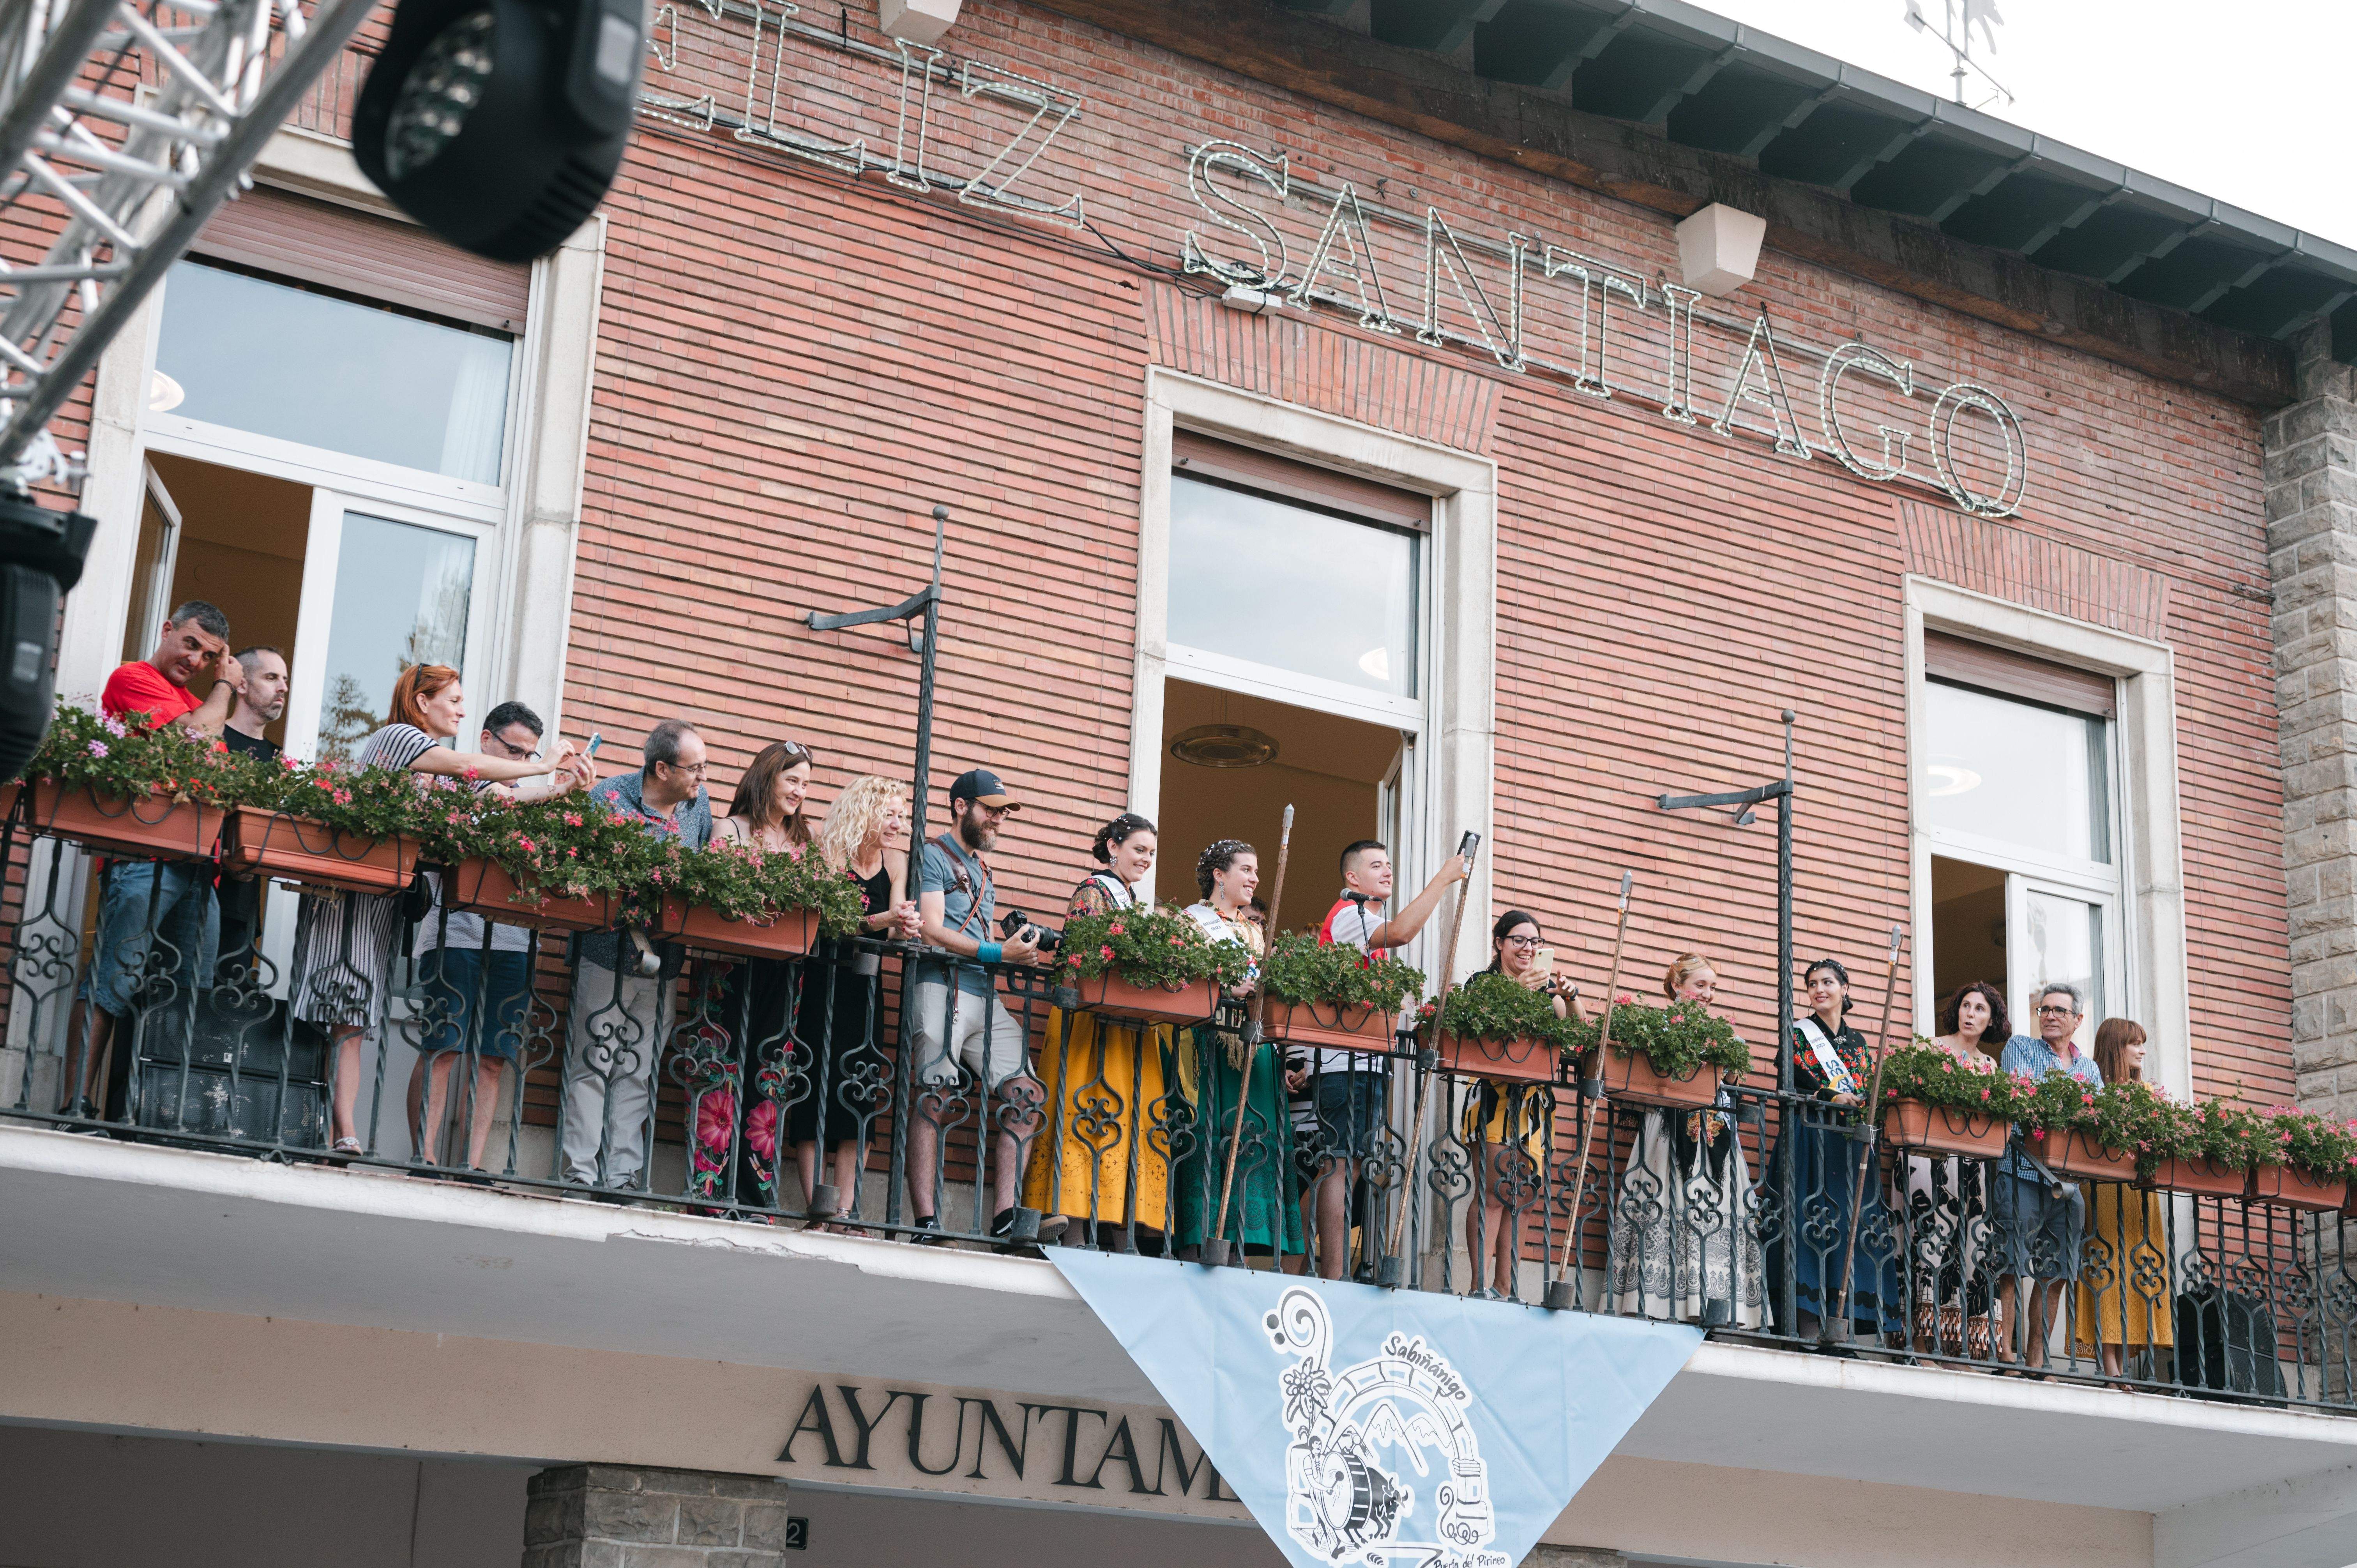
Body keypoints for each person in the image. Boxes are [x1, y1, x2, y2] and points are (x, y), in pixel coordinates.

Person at [288, 667, 586, 1156]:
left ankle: (343, 1135)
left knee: (354, 1018)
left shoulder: (432, 770)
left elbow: (494, 804)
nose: (462, 710)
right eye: (453, 699)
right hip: (354, 891)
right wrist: (541, 765)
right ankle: (337, 1131)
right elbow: (473, 766)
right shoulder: (400, 737)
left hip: (381, 901)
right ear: (422, 702)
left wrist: (562, 788)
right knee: (342, 1011)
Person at [65, 601, 246, 1119]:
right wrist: (227, 685)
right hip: (143, 858)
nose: (195, 658)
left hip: (197, 869)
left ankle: (157, 1114)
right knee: (113, 981)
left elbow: (211, 766)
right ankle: (75, 1103)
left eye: (209, 655)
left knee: (191, 998)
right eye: (190, 643)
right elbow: (191, 739)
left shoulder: (196, 702)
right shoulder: (134, 677)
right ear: (167, 630)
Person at [1296, 838, 1470, 1280]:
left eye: (1390, 864)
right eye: (1377, 865)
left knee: (1343, 1163)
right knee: (1341, 1162)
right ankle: (1331, 1275)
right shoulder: (1350, 915)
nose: (1387, 871)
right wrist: (1443, 879)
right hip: (1344, 1061)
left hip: (1360, 1060)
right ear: (1353, 877)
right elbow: (1403, 933)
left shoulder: (1359, 917)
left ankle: (1299, 1259)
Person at [407, 701, 565, 1172]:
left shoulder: (535, 801)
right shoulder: (452, 780)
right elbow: (487, 804)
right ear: (485, 741)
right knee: (443, 1047)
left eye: (528, 756)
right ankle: (425, 1156)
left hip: (515, 941)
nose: (518, 764)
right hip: (453, 934)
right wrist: (551, 785)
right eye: (513, 751)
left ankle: (471, 1165)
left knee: (494, 1058)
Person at [562, 720, 714, 1188]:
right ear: (662, 768)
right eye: (695, 769)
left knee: (639, 1066)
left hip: (664, 961)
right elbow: (576, 867)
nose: (702, 779)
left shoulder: (698, 806)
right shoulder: (608, 797)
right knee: (593, 1060)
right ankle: (580, 1174)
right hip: (607, 951)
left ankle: (622, 1174)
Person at [1023, 813, 1180, 1250]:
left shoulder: (1128, 899)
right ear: (1114, 847)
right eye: (1139, 850)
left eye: (1152, 852)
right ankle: (1071, 1230)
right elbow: (1079, 955)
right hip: (1089, 1023)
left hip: (1123, 1025)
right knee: (1084, 1115)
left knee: (1120, 1122)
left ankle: (1113, 1233)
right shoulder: (1094, 891)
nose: (1147, 859)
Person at [906, 768, 1048, 1242]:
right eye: (991, 810)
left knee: (1026, 1091)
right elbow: (928, 928)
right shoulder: (931, 854)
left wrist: (1015, 950)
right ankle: (926, 1221)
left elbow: (977, 936)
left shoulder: (985, 870)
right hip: (940, 985)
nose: (999, 820)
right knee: (936, 1094)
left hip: (984, 994)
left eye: (1004, 812)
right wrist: (996, 953)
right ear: (961, 806)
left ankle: (1007, 1214)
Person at [690, 740, 817, 1211]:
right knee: (720, 1074)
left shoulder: (804, 843)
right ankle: (709, 1192)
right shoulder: (729, 829)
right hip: (728, 967)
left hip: (783, 972)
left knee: (769, 1079)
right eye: (793, 780)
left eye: (806, 784)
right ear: (768, 777)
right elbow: (719, 893)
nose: (800, 791)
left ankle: (754, 1192)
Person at [1605, 952, 1763, 1328]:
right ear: (1677, 986)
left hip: (1717, 1137)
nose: (1708, 994)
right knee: (1667, 1206)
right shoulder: (1656, 1027)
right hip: (1666, 1133)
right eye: (1700, 985)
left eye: (1713, 987)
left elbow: (1735, 1082)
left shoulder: (1725, 1035)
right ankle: (1660, 1304)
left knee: (1714, 1216)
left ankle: (1716, 1305)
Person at [800, 774, 922, 1228]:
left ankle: (846, 1210)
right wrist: (887, 919)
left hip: (867, 987)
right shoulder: (832, 849)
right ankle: (819, 1206)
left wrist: (903, 926)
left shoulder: (897, 859)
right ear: (864, 811)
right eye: (889, 813)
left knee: (860, 1095)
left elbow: (890, 926)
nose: (898, 822)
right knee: (816, 1089)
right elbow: (831, 917)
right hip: (824, 979)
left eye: (902, 814)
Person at [1174, 839, 1300, 1261]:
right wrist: (1223, 987)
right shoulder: (1191, 922)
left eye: (1257, 871)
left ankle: (1240, 1246)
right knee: (1213, 1139)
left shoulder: (1253, 929)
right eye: (1246, 870)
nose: (1254, 879)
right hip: (1213, 1047)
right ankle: (1198, 1243)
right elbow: (1179, 979)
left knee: (1254, 1142)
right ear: (1219, 876)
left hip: (1254, 1050)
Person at [1765, 958, 1904, 1342]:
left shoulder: (1858, 1042)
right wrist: (1830, 1094)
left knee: (1849, 1230)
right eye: (1812, 984)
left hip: (1848, 1145)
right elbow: (1788, 1079)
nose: (1819, 989)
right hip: (1810, 1137)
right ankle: (1807, 1326)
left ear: (1846, 988)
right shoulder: (1796, 1034)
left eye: (1828, 982)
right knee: (1809, 1226)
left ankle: (1839, 1326)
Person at [1460, 911, 1579, 1298]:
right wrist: (1521, 992)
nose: (1529, 948)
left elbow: (1576, 1035)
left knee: (1525, 1199)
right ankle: (1479, 1285)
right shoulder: (1483, 984)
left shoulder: (1547, 994)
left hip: (1535, 1107)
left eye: (1535, 942)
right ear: (1499, 943)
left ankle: (1506, 1287)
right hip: (1494, 1099)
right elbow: (1482, 1030)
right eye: (1519, 940)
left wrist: (1570, 996)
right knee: (1494, 1194)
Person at [1991, 983, 2104, 1372]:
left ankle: (2037, 1359)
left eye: (2059, 1010)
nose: (2050, 1016)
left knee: (2056, 1270)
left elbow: (2098, 1121)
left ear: (2078, 1020)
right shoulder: (2020, 1047)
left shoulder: (2089, 1068)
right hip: (2021, 1168)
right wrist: (2072, 1107)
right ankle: (2005, 1352)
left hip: (2067, 1182)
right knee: (2011, 1259)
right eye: (2044, 1010)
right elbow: (2022, 1097)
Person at [1903, 981, 2007, 1356]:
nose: (1970, 1014)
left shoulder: (1990, 1067)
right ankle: (1917, 1343)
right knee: (1928, 1243)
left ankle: (1955, 1347)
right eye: (1966, 1006)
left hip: (1970, 1168)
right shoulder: (1931, 1050)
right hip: (1928, 1163)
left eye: (1981, 1009)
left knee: (1966, 1250)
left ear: (1991, 1020)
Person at [2074, 1018, 2171, 1387]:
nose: (2142, 1050)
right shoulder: (2094, 1091)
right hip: (2102, 1189)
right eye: (2135, 1043)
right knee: (2104, 1267)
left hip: (2137, 1195)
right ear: (2117, 1047)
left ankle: (2119, 1365)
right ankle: (2109, 1364)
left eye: (2143, 1043)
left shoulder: (2145, 1093)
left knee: (2133, 1270)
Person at [213, 646, 287, 984]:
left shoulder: (280, 759)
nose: (283, 687)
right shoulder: (214, 738)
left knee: (221, 1012)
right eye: (271, 677)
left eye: (285, 680)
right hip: (197, 892)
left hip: (242, 908)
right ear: (241, 685)